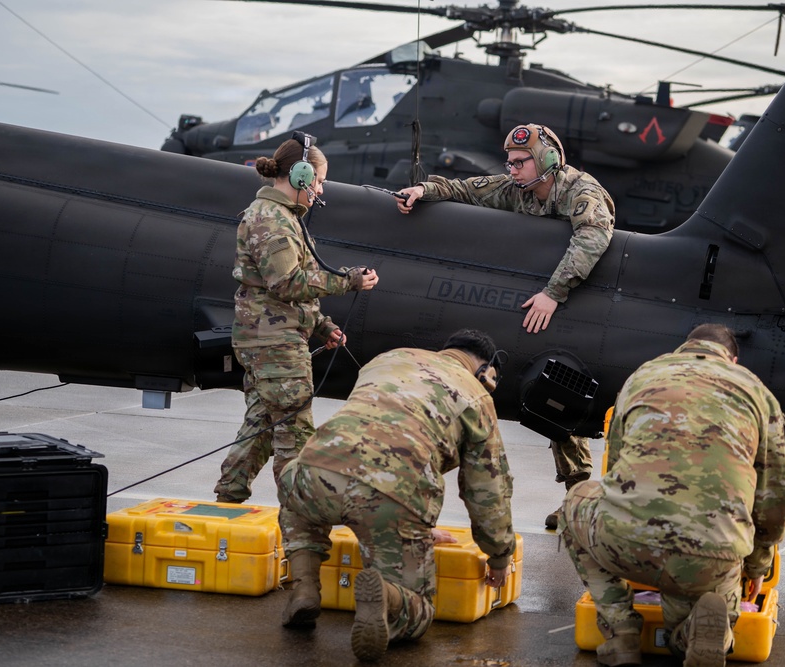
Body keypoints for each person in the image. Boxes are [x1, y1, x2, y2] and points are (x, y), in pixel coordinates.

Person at [396, 123, 615, 529]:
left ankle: (584, 499)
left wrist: (554, 292)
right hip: (543, 300)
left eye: (520, 162)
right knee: (552, 399)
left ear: (547, 160)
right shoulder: (516, 188)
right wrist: (424, 190)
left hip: (583, 298)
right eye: (509, 162)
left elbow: (594, 236)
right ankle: (579, 496)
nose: (511, 170)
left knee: (563, 394)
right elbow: (466, 190)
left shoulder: (580, 192)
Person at [559, 323, 785, 667]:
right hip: (712, 553)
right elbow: (777, 496)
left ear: (684, 348)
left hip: (628, 542)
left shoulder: (642, 376)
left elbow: (615, 467)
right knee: (696, 608)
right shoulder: (756, 392)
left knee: (574, 502)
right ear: (732, 359)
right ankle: (694, 636)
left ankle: (621, 633)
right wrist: (758, 563)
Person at [276, 329, 516, 662]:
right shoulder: (477, 396)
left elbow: (372, 434)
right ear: (486, 371)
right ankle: (389, 597)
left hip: (314, 471)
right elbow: (488, 492)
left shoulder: (388, 358)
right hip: (392, 497)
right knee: (418, 614)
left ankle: (304, 587)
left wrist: (419, 526)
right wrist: (500, 556)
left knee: (297, 505)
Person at [214, 135, 379, 503]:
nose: (320, 189)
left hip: (269, 339)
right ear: (301, 175)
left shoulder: (282, 217)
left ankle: (229, 496)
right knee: (295, 434)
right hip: (275, 345)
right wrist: (349, 280)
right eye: (319, 181)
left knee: (261, 425)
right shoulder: (272, 220)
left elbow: (280, 288)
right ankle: (300, 515)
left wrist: (321, 326)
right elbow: (286, 283)